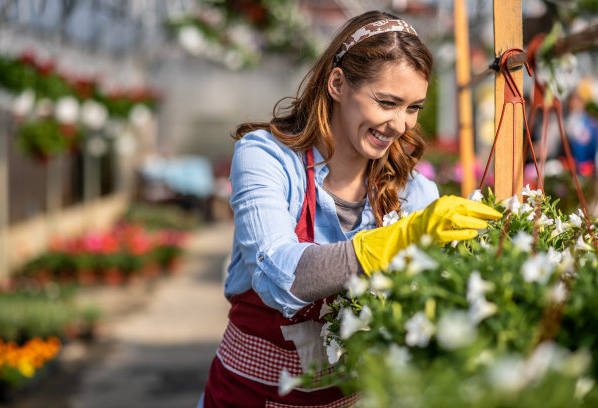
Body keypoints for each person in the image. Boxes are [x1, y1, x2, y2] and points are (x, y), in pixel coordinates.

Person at [199, 10, 502, 408]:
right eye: (387, 102)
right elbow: (278, 274)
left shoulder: (410, 189)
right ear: (338, 84)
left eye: (413, 107)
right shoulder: (268, 158)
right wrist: (399, 240)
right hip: (248, 396)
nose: (400, 125)